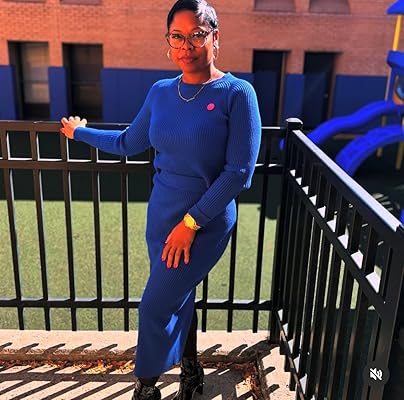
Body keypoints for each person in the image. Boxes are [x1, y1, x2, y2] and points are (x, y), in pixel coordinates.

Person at [60, 0, 261, 398]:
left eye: (197, 35)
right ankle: (191, 371)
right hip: (162, 216)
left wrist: (191, 223)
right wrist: (80, 132)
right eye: (177, 36)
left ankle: (147, 387)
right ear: (168, 41)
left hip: (203, 221)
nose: (187, 45)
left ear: (215, 37)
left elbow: (239, 173)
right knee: (176, 296)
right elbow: (128, 142)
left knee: (153, 305)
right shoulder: (161, 92)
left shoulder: (238, 93)